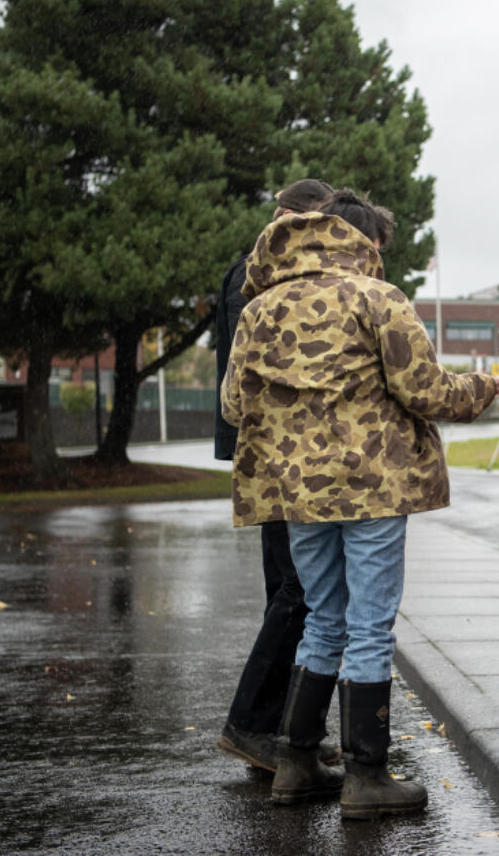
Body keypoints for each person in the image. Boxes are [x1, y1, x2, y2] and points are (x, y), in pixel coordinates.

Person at [221, 188, 499, 817]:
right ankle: (367, 777)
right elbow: (427, 390)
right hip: (372, 485)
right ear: (358, 240)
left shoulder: (259, 309)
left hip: (297, 493)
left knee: (323, 619)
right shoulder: (377, 299)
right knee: (370, 627)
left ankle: (295, 764)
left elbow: (233, 407)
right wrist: (487, 385)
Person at [214, 179, 340, 774]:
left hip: (276, 456)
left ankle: (288, 733)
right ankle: (252, 725)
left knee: (292, 593)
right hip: (278, 457)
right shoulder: (258, 277)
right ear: (290, 218)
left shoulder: (259, 273)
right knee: (299, 591)